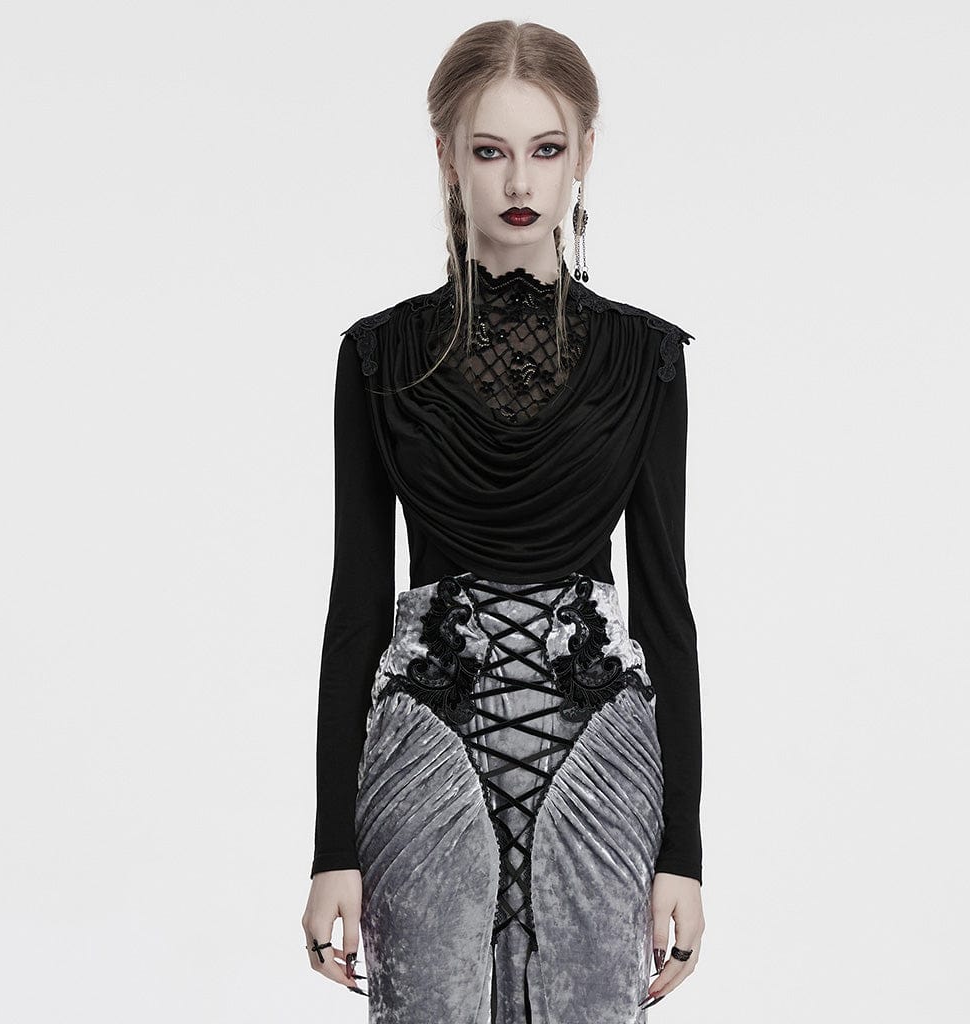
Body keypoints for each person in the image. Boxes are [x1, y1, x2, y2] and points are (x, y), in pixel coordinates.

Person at [301, 19, 706, 1022]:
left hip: (602, 754)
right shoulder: (378, 356)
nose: (519, 180)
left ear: (584, 154)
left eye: (546, 148)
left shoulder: (645, 358)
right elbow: (357, 608)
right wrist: (330, 849)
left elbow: (666, 610)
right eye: (489, 151)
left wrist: (684, 854)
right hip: (420, 747)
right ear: (447, 156)